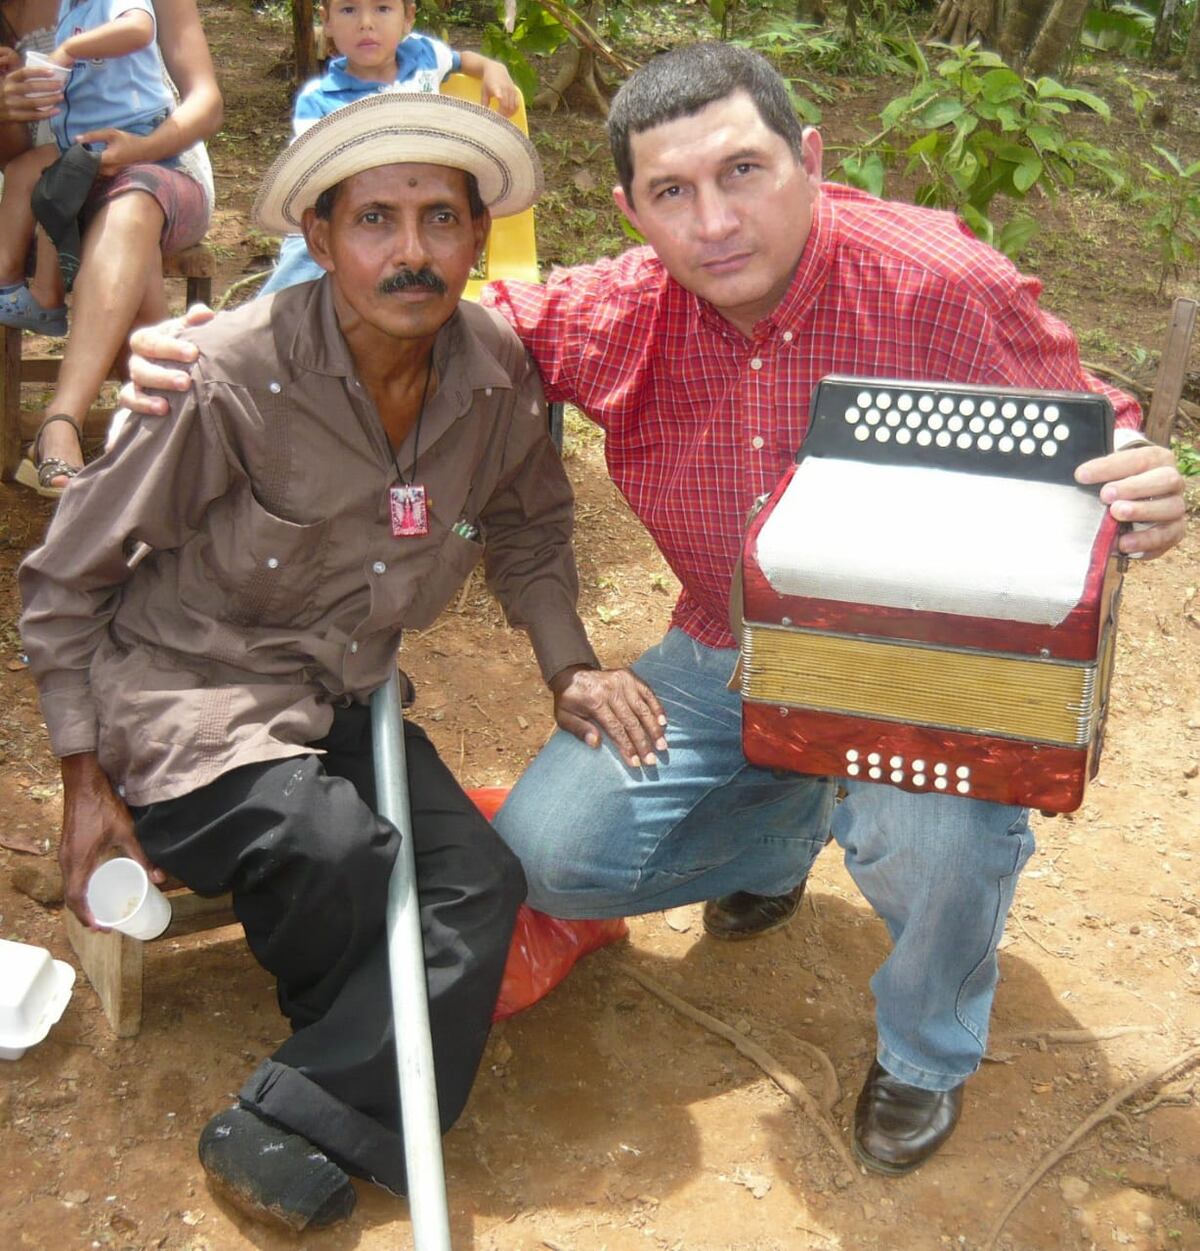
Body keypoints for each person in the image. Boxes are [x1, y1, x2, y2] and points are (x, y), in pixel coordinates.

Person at [120, 43, 1187, 1178]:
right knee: (551, 860)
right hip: (726, 652)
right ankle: (790, 824)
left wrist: (1137, 471)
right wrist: (226, 338)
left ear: (809, 162)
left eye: (744, 172)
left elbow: (1090, 420)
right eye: (673, 193)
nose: (715, 221)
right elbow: (424, 300)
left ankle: (925, 1049)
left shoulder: (936, 282)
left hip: (917, 665)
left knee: (931, 835)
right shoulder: (620, 314)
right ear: (632, 210)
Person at [19, 92, 663, 1233]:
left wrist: (570, 666)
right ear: (318, 239)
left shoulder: (497, 374)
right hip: (182, 697)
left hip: (340, 696)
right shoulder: (223, 377)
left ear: (478, 235)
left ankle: (302, 1108)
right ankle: (365, 1064)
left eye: (439, 219)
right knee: (334, 848)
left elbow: (530, 526)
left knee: (482, 886)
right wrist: (81, 780)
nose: (409, 253)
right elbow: (66, 580)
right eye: (374, 220)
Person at [3, 0, 219, 496]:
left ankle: (61, 421)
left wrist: (141, 149)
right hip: (57, 187)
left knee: (133, 201)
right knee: (124, 228)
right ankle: (161, 445)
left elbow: (207, 102)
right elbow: (13, 159)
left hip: (163, 166)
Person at [260, 0, 518, 296]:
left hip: (417, 208)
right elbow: (312, 181)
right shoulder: (319, 101)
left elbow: (462, 60)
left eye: (382, 8)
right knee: (304, 260)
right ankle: (262, 324)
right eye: (348, 10)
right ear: (327, 21)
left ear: (407, 17)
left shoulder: (425, 57)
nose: (366, 23)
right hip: (348, 216)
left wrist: (492, 68)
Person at [0, 0, 184, 337]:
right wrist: (17, 78)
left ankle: (47, 297)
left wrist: (69, 49)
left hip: (129, 131)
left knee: (58, 188)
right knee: (24, 170)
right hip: (80, 135)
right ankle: (7, 285)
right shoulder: (71, 8)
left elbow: (139, 29)